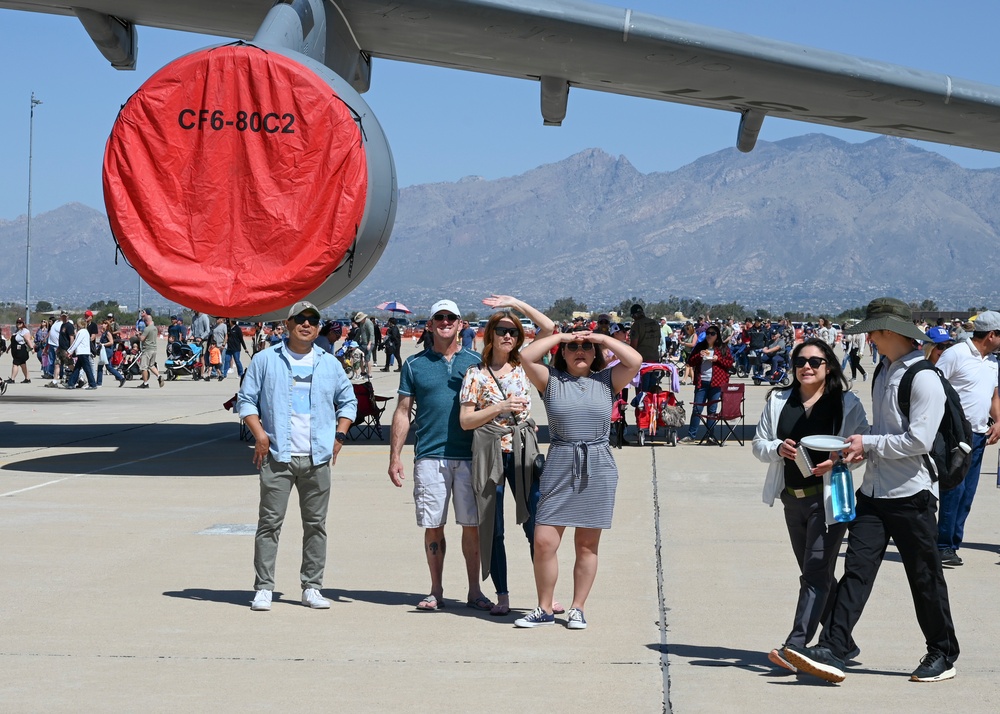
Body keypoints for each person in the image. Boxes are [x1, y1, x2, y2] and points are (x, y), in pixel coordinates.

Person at [784, 297, 960, 684]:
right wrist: (848, 455)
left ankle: (943, 653)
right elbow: (880, 433)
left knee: (924, 576)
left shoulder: (923, 377)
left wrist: (868, 444)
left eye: (873, 334)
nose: (870, 341)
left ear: (887, 332)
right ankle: (835, 645)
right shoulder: (883, 371)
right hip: (874, 493)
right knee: (856, 571)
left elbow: (918, 440)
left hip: (911, 495)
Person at [753, 338, 869, 672]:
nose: (807, 366)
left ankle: (796, 645)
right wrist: (777, 449)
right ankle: (841, 640)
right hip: (793, 499)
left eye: (815, 362)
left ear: (829, 366)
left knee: (816, 572)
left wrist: (840, 461)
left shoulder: (846, 403)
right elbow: (759, 444)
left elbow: (861, 447)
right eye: (800, 361)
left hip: (829, 498)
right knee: (813, 572)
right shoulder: (779, 400)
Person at [513, 326, 641, 629]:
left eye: (586, 347)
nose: (579, 351)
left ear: (595, 352)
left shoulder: (607, 380)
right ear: (563, 352)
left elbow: (634, 360)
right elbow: (525, 356)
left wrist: (600, 339)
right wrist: (561, 337)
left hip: (597, 463)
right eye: (574, 347)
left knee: (586, 544)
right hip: (560, 462)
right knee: (544, 541)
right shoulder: (551, 381)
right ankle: (544, 607)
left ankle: (577, 608)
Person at [238, 301, 357, 612]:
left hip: (317, 457)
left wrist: (339, 435)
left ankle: (312, 586)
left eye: (313, 320)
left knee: (316, 524)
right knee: (269, 523)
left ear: (318, 327)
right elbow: (246, 401)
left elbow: (348, 402)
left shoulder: (329, 363)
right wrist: (260, 435)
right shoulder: (266, 360)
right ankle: (264, 587)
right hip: (278, 456)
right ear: (287, 325)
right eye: (300, 319)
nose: (307, 324)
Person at [388, 299, 493, 612]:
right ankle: (436, 589)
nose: (445, 321)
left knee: (471, 525)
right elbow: (403, 411)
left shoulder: (476, 362)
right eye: (440, 318)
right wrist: (395, 456)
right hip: (431, 456)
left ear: (460, 324)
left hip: (471, 456)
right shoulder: (414, 365)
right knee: (434, 525)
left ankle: (475, 590)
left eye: (451, 317)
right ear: (430, 325)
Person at [459, 296, 554, 617]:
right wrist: (498, 408)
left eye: (513, 331)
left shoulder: (525, 363)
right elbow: (466, 420)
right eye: (501, 330)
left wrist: (516, 304)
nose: (508, 336)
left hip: (524, 450)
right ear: (490, 334)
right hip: (489, 452)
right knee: (493, 526)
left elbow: (550, 328)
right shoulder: (476, 374)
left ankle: (545, 595)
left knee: (536, 526)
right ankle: (502, 594)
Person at [934, 311, 1000, 566]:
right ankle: (943, 546)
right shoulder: (956, 354)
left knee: (967, 493)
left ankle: (953, 542)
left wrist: (998, 421)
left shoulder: (992, 361)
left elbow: (993, 396)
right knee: (953, 489)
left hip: (979, 435)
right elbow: (934, 386)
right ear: (992, 335)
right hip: (954, 434)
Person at [679, 325, 734, 444]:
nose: (709, 335)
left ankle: (710, 436)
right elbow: (690, 362)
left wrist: (717, 359)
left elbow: (729, 363)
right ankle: (691, 435)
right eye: (708, 333)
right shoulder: (700, 346)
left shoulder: (722, 348)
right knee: (697, 409)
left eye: (712, 334)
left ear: (717, 335)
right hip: (701, 382)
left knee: (712, 411)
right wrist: (699, 355)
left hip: (717, 383)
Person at [65, 317, 97, 389]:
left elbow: (76, 342)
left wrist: (69, 351)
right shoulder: (86, 332)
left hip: (82, 353)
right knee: (77, 368)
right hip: (84, 352)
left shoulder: (81, 332)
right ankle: (71, 383)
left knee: (87, 368)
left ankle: (92, 384)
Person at [137, 309, 165, 388]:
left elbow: (142, 339)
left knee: (144, 367)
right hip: (154, 349)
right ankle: (159, 376)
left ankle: (145, 383)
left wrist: (138, 335)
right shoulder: (154, 328)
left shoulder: (147, 329)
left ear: (146, 321)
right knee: (151, 365)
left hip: (147, 349)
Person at [96, 317, 126, 387]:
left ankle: (98, 383)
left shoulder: (108, 333)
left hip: (107, 351)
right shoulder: (104, 333)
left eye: (104, 323)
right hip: (105, 351)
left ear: (107, 325)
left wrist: (103, 344)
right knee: (109, 367)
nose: (102, 325)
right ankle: (121, 378)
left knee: (100, 366)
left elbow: (111, 342)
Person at [6, 318, 34, 384]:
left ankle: (12, 379)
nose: (18, 324)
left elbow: (28, 340)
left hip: (21, 351)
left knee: (15, 364)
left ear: (23, 323)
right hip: (15, 351)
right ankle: (27, 379)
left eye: (20, 323)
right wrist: (8, 348)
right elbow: (13, 342)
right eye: (17, 322)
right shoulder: (16, 331)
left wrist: (32, 348)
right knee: (22, 364)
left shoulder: (25, 331)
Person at [353, 312, 374, 379]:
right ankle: (363, 372)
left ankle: (369, 374)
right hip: (363, 343)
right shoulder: (361, 324)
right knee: (360, 357)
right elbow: (359, 332)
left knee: (367, 359)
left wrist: (369, 344)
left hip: (369, 343)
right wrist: (354, 341)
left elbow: (371, 334)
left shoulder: (368, 323)